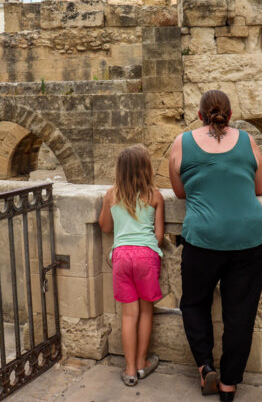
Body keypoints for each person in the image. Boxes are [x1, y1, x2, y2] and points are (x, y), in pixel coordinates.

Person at [169, 90, 262, 400]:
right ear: (230, 114)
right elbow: (261, 187)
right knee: (240, 313)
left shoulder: (181, 143)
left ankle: (204, 366)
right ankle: (229, 384)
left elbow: (180, 192)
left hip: (203, 241)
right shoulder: (247, 141)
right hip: (249, 240)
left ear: (200, 115)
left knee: (194, 304)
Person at [99, 144, 165, 387]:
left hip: (121, 257)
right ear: (146, 168)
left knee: (129, 313)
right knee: (146, 311)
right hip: (146, 256)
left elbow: (105, 226)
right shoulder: (155, 196)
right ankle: (141, 364)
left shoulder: (111, 195)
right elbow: (158, 236)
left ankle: (128, 370)